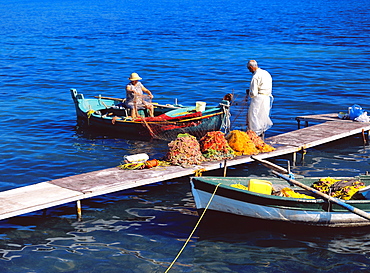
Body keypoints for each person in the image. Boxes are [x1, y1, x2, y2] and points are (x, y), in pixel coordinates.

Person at [246, 60, 273, 137]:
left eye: (249, 69)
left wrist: (249, 93)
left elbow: (253, 93)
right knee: (263, 116)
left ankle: (255, 135)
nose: (249, 71)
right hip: (267, 97)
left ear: (251, 67)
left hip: (258, 99)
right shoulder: (266, 73)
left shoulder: (255, 76)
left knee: (254, 116)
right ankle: (262, 134)